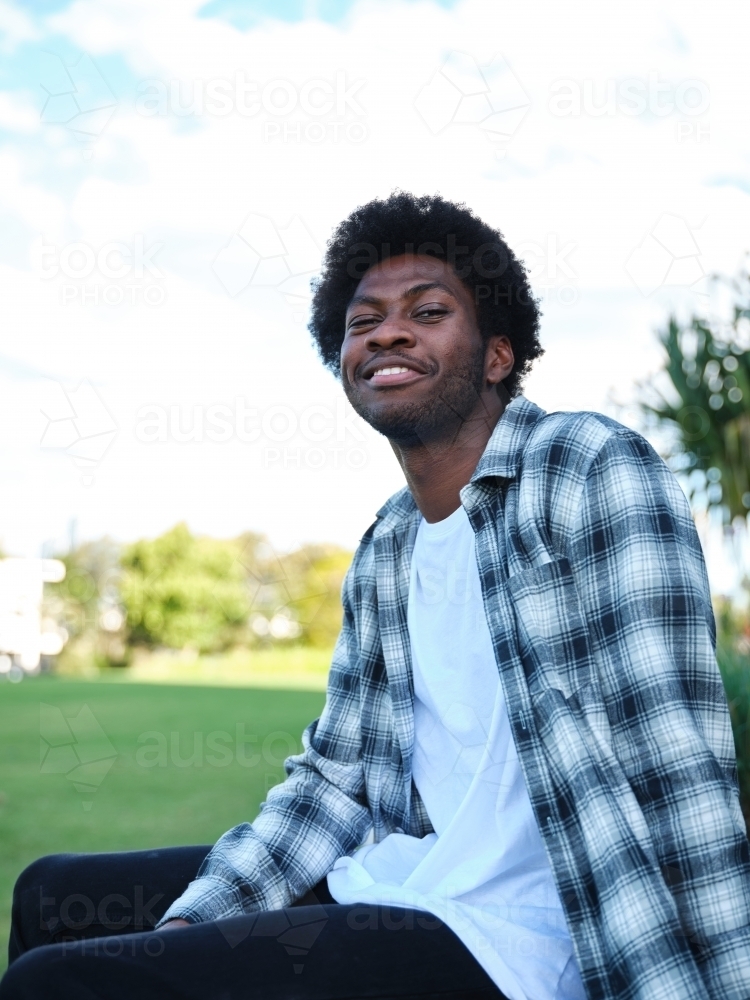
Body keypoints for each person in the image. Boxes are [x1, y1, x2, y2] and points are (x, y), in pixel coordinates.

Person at [4, 192, 750, 1000]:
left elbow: (676, 760)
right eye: (363, 322)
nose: (388, 332)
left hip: (535, 937)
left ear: (498, 355)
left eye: (427, 311)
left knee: (57, 986)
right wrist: (201, 916)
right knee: (49, 897)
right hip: (403, 884)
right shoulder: (388, 544)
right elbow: (339, 779)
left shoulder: (589, 469)